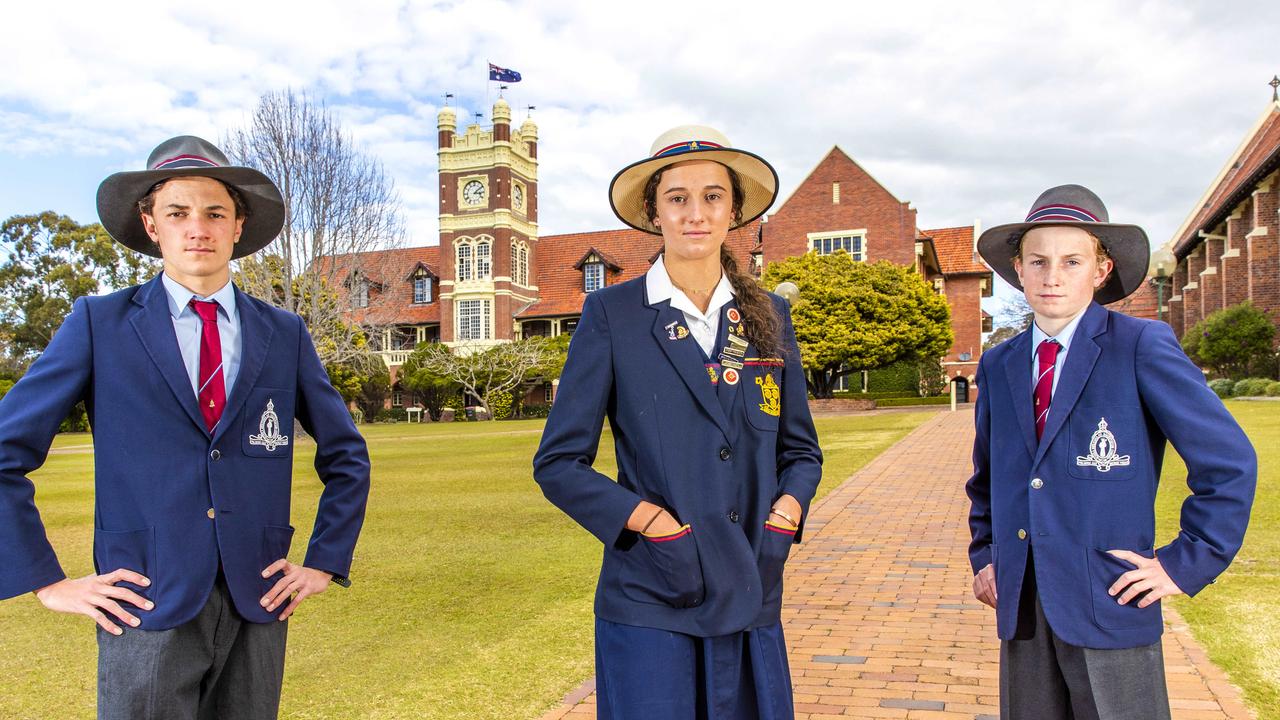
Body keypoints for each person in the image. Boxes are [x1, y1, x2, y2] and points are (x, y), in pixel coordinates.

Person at [0, 136, 371, 719]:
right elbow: (3, 454)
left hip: (258, 597)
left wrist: (325, 560)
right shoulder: (99, 324)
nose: (197, 227)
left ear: (237, 225)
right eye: (178, 213)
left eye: (214, 212)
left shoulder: (284, 333)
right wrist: (47, 583)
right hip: (143, 599)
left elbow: (347, 456)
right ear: (152, 225)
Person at [533, 126, 823, 719]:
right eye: (678, 198)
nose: (697, 213)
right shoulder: (611, 314)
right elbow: (558, 464)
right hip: (652, 590)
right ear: (653, 212)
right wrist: (651, 523)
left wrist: (784, 516)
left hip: (750, 584)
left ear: (734, 211)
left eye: (713, 196)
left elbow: (801, 452)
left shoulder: (769, 315)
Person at [966, 184, 1256, 718]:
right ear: (1019, 270)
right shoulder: (999, 362)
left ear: (1100, 271)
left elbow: (1229, 463)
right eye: (1039, 261)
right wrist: (984, 555)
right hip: (1023, 604)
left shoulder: (1140, 345)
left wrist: (1184, 563)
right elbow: (989, 478)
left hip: (1111, 596)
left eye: (1072, 261)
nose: (1053, 275)